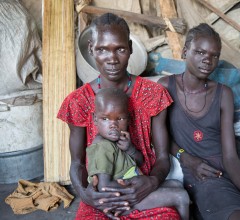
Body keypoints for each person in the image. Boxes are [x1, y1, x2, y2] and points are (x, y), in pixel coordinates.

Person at [57, 13, 185, 219]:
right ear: (91, 49)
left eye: (121, 49)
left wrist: (152, 181)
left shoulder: (153, 94)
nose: (112, 59)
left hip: (143, 187)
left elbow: (162, 157)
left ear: (131, 49)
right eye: (102, 50)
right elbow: (77, 163)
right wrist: (85, 195)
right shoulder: (78, 101)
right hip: (103, 196)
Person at [158, 23, 240, 220]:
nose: (207, 60)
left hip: (232, 168)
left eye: (214, 55)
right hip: (204, 174)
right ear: (185, 52)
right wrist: (185, 157)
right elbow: (158, 137)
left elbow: (230, 157)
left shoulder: (223, 93)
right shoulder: (165, 87)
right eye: (200, 52)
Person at [87, 88, 189, 219]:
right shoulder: (102, 147)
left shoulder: (118, 140)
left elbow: (139, 162)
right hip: (124, 200)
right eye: (105, 119)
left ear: (128, 119)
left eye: (120, 118)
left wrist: (130, 149)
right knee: (181, 197)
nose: (113, 125)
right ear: (95, 119)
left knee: (176, 184)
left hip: (133, 190)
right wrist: (132, 187)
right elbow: (104, 186)